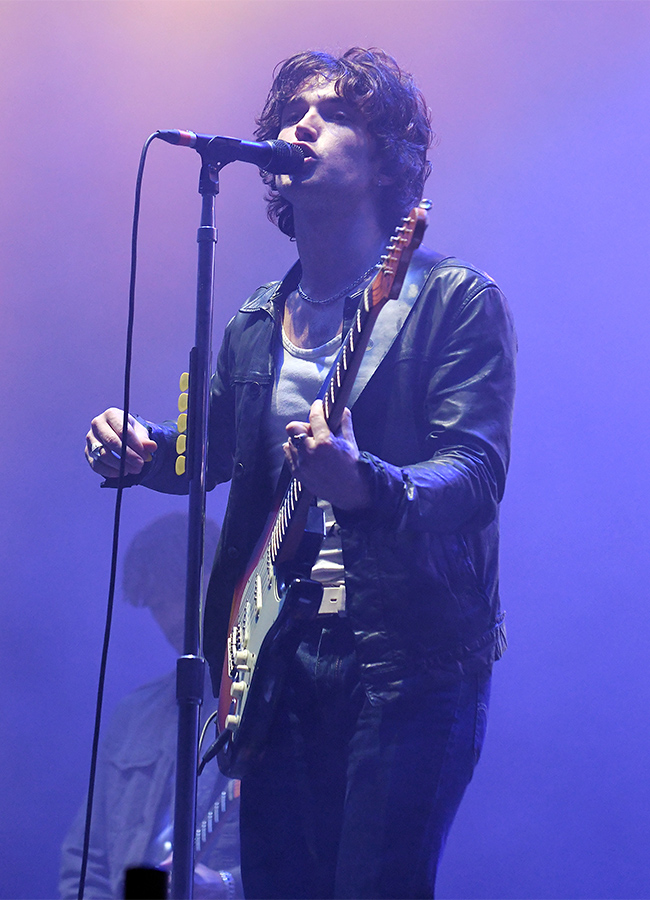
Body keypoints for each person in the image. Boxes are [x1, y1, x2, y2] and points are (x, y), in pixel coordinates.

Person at [85, 48, 516, 899]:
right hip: (275, 656)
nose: (303, 124)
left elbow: (473, 475)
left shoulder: (452, 300)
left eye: (336, 112)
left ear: (389, 157)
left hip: (406, 662)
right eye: (293, 110)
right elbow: (211, 456)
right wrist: (144, 450)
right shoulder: (253, 320)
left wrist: (365, 484)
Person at [59, 513, 243, 899]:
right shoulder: (134, 715)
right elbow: (86, 861)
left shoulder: (271, 697)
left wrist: (228, 887)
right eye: (159, 605)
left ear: (221, 575)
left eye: (181, 593)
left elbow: (317, 855)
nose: (174, 617)